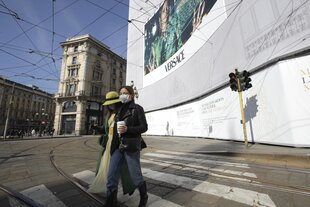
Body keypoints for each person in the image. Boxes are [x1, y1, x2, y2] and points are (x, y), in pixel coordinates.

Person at [105, 86, 148, 207]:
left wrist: (128, 129)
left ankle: (144, 198)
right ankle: (110, 202)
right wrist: (112, 149)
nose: (122, 95)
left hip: (131, 146)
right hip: (118, 147)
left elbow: (144, 127)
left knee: (136, 175)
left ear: (131, 95)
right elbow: (114, 131)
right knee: (111, 175)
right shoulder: (118, 110)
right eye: (121, 93)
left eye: (125, 93)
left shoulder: (137, 109)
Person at [88, 91, 135, 196]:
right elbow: (106, 129)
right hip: (109, 143)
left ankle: (129, 185)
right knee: (108, 169)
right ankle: (112, 195)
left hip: (118, 143)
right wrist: (95, 127)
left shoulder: (122, 112)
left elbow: (128, 127)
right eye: (109, 104)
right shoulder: (109, 115)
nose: (110, 105)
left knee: (122, 167)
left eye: (112, 103)